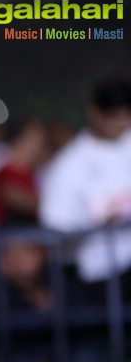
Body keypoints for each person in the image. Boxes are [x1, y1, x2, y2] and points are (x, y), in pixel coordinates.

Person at [39, 77, 131, 284]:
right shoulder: (70, 164)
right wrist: (98, 223)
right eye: (113, 115)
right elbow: (57, 227)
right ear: (95, 113)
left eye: (126, 115)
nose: (121, 123)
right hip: (100, 279)